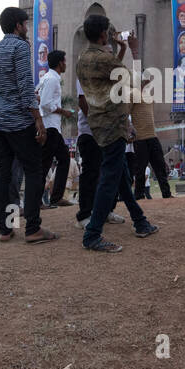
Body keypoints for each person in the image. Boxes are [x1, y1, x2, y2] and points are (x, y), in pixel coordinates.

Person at [75, 15, 158, 253]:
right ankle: (92, 235)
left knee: (120, 174)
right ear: (103, 34)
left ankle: (140, 221)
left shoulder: (83, 58)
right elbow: (135, 82)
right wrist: (134, 50)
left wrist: (121, 50)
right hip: (113, 124)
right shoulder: (103, 59)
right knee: (111, 178)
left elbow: (110, 78)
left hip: (98, 123)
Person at [0, 6, 57, 244]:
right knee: (33, 171)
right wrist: (38, 119)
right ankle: (33, 228)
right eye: (25, 24)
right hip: (18, 121)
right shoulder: (20, 47)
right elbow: (25, 86)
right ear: (17, 25)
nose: (27, 29)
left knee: (3, 176)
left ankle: (6, 230)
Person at [72, 78, 124, 230]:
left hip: (106, 133)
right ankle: (84, 215)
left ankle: (105, 211)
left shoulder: (103, 73)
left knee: (107, 174)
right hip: (89, 132)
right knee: (91, 173)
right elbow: (82, 101)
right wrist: (96, 124)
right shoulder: (85, 72)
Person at [37, 49, 75, 208]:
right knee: (45, 163)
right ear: (60, 63)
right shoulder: (52, 79)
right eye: (65, 61)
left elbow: (37, 95)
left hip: (52, 126)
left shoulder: (46, 77)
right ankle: (37, 200)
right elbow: (45, 104)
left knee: (64, 159)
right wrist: (63, 111)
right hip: (50, 126)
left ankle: (55, 197)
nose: (66, 64)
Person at [129, 66, 172, 200]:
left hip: (152, 136)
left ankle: (166, 193)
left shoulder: (149, 96)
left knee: (160, 166)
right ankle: (139, 195)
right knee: (140, 169)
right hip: (140, 137)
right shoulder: (132, 95)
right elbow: (126, 112)